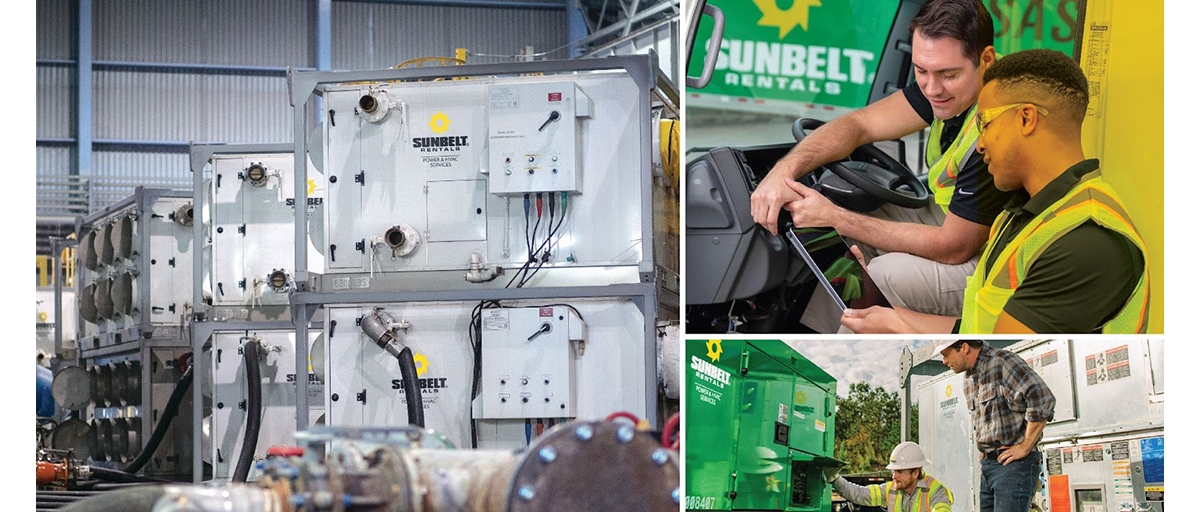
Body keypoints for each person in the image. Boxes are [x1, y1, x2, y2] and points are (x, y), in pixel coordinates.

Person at [840, 48, 1151, 334]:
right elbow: (979, 327)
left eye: (984, 124)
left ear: (1026, 118)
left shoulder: (1085, 243)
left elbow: (1006, 355)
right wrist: (892, 317)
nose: (979, 143)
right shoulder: (1024, 214)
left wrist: (901, 331)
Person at [752, 0, 1015, 323]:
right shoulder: (949, 84)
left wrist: (835, 217)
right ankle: (812, 330)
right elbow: (860, 124)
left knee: (885, 271)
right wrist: (783, 171)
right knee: (859, 212)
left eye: (948, 74)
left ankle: (850, 338)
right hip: (956, 218)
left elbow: (953, 247)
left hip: (994, 261)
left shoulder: (995, 128)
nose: (932, 89)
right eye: (921, 71)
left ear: (985, 60)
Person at [934, 339, 1054, 511]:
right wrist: (986, 448)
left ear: (964, 348)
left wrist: (1025, 446)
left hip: (1014, 466)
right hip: (989, 466)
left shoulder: (1003, 362)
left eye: (946, 354)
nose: (944, 361)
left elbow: (1042, 398)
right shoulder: (968, 379)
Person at [824, 441, 952, 512]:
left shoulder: (935, 491)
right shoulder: (891, 489)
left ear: (915, 473)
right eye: (893, 471)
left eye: (899, 472)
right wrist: (835, 478)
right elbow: (860, 494)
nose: (894, 476)